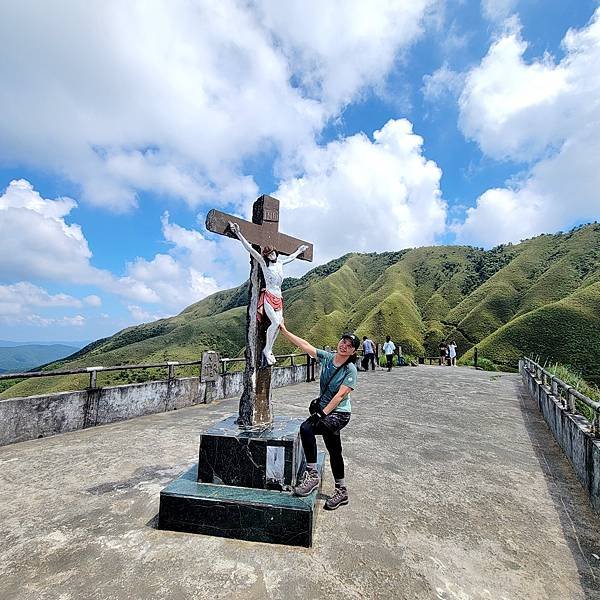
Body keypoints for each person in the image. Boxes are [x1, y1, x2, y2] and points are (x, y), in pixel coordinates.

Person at [278, 321, 359, 510]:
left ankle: (312, 474)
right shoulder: (328, 358)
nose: (344, 346)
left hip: (338, 414)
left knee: (306, 428)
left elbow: (340, 396)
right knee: (334, 449)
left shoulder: (350, 370)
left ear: (353, 352)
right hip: (325, 412)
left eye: (349, 345)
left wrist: (320, 414)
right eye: (343, 341)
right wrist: (285, 331)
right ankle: (342, 490)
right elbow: (305, 346)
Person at [228, 221, 308, 366]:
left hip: (279, 297)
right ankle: (267, 349)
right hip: (269, 297)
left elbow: (291, 257)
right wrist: (238, 233)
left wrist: (299, 251)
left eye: (273, 253)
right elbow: (251, 251)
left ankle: (269, 349)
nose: (272, 256)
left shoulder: (280, 263)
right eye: (269, 254)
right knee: (275, 322)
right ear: (266, 256)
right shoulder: (265, 265)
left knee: (279, 325)